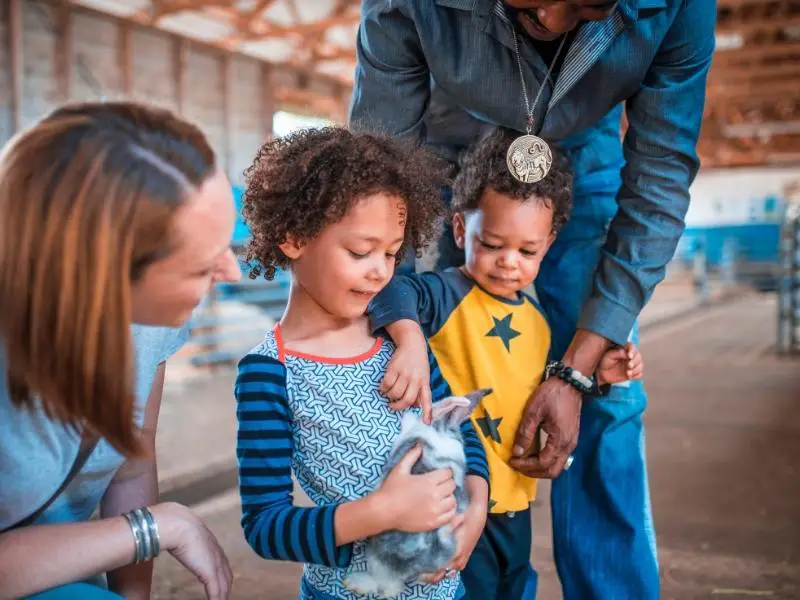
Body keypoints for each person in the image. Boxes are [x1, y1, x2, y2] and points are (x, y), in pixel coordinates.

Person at [349, 1, 716, 596]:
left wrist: (577, 372)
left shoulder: (678, 8)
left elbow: (660, 173)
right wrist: (400, 323)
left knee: (609, 403)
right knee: (445, 395)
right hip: (448, 168)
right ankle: (449, 575)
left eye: (583, 7)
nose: (547, 16)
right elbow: (378, 163)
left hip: (586, 163)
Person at [367, 128, 644, 599]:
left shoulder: (536, 320)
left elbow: (537, 383)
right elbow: (389, 287)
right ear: (460, 230)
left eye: (527, 251)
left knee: (514, 586)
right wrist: (409, 338)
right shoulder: (443, 294)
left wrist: (597, 376)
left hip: (515, 500)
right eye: (492, 244)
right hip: (451, 498)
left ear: (549, 244)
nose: (508, 263)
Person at [233, 127, 489, 600]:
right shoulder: (269, 371)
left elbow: (458, 428)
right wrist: (382, 513)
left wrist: (477, 504)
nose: (380, 271)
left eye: (392, 253)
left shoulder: (399, 340)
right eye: (359, 251)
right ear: (293, 237)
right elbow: (265, 525)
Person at [0, 101, 241, 600]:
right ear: (105, 277)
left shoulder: (148, 323)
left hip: (60, 566)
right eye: (200, 267)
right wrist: (157, 527)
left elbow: (132, 459)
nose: (231, 273)